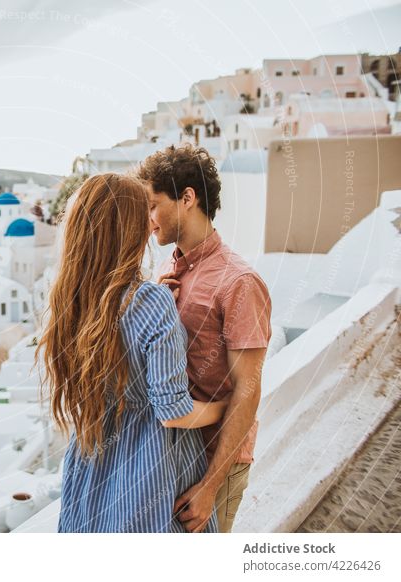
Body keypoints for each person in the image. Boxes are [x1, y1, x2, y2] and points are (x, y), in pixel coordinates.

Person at [38, 173, 227, 533]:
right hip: (149, 474)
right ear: (129, 228)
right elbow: (172, 412)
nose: (151, 221)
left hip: (92, 471)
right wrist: (225, 407)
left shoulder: (70, 305)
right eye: (144, 213)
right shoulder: (152, 302)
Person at [137, 144, 272, 533]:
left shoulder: (239, 282)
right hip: (171, 458)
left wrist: (210, 487)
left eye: (153, 205)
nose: (149, 220)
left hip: (215, 464)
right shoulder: (166, 268)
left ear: (188, 198)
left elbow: (248, 389)